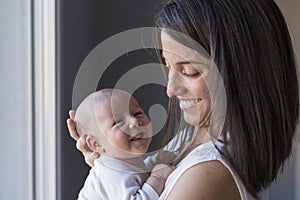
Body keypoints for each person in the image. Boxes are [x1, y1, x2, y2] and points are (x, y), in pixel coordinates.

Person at [67, 0, 299, 199]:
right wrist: (113, 167)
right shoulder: (192, 137)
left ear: (242, 72)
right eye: (168, 67)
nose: (170, 89)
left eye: (189, 72)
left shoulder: (204, 175)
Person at [74, 88, 175, 200]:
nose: (134, 121)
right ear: (96, 144)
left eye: (138, 113)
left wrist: (153, 162)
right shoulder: (110, 174)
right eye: (118, 121)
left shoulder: (121, 163)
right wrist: (158, 178)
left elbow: (134, 177)